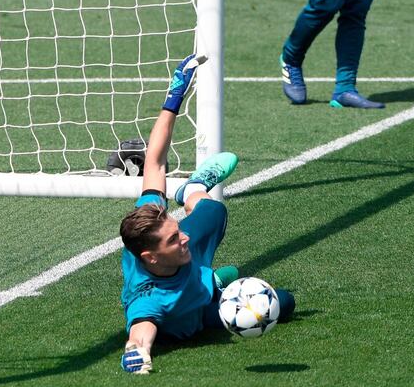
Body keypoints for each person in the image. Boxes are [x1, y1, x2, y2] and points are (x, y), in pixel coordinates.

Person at [119, 54, 295, 374]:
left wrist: (174, 96)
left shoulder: (161, 231)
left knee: (213, 209)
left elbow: (155, 163)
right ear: (151, 257)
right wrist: (137, 352)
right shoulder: (149, 300)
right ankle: (215, 281)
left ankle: (192, 189)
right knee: (284, 302)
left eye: (177, 228)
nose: (182, 234)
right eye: (173, 237)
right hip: (200, 314)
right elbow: (140, 332)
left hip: (188, 262)